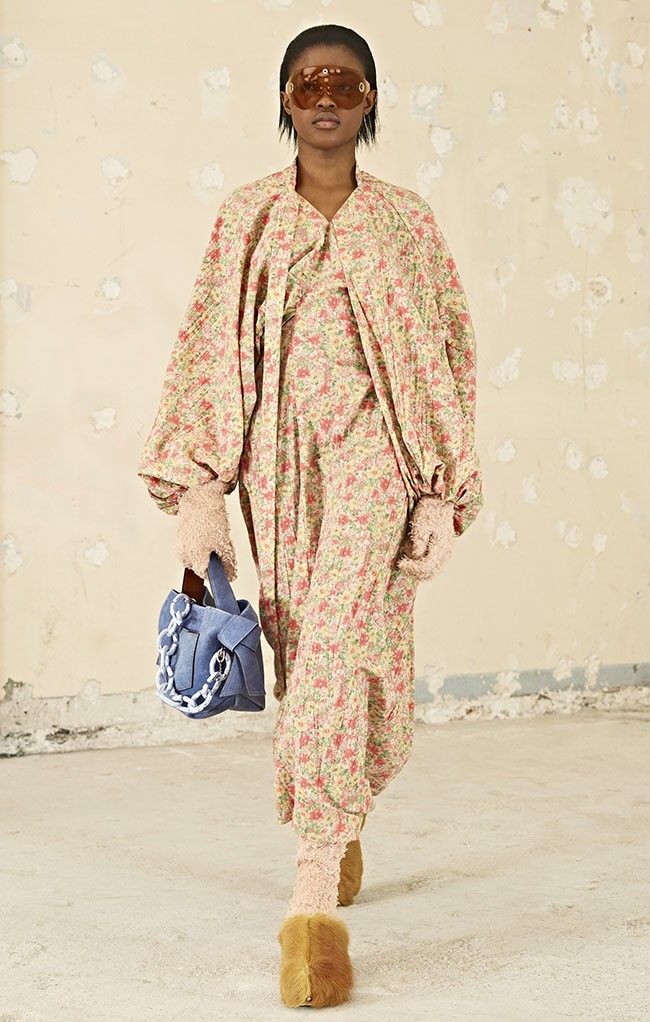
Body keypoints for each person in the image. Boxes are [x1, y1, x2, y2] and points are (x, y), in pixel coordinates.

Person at [139, 23, 482, 1009]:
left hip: (379, 455)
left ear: (370, 101)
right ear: (284, 99)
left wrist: (439, 490)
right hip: (278, 461)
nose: (325, 96)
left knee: (335, 644)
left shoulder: (405, 222)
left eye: (345, 82)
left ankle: (311, 910)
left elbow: (448, 348)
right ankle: (341, 813)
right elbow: (207, 344)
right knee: (305, 654)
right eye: (305, 82)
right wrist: (200, 491)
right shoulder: (247, 216)